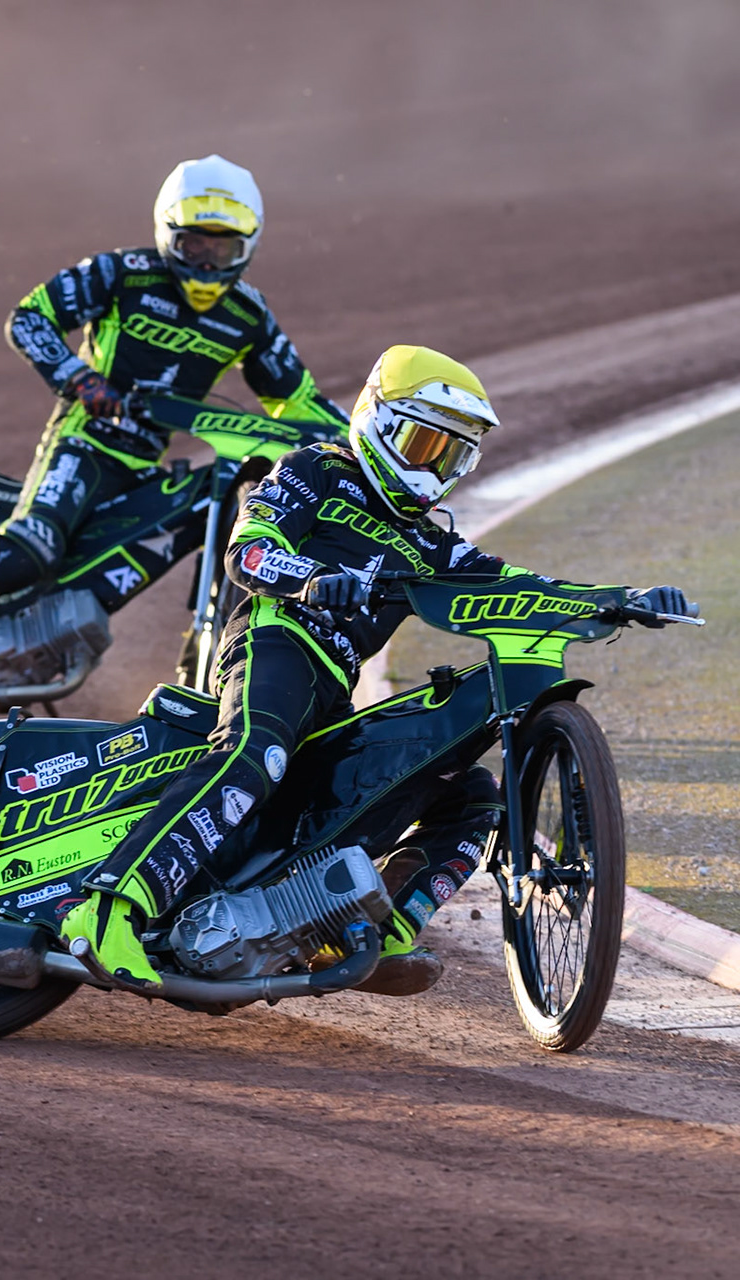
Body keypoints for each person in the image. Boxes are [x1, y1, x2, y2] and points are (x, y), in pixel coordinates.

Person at [57, 345, 694, 994]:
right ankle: (109, 907)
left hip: (333, 689)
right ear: (380, 422)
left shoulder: (430, 540)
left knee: (474, 795)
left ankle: (373, 930)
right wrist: (309, 579)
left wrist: (618, 601)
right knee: (257, 754)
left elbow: (517, 584)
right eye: (424, 444)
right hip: (274, 644)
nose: (435, 468)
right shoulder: (316, 470)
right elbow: (247, 551)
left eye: (452, 455)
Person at [0, 154, 347, 652]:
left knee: (168, 530)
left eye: (223, 247)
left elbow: (297, 402)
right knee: (34, 544)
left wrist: (356, 447)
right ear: (167, 234)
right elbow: (30, 318)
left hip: (144, 466)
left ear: (247, 247)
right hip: (82, 443)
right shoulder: (122, 273)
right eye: (194, 244)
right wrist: (82, 381)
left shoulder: (248, 316)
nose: (207, 263)